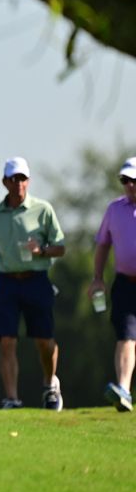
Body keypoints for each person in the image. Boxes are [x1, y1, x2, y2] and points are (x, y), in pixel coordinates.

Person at [0, 157, 66, 410]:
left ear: (28, 181)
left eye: (22, 178)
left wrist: (41, 250)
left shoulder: (43, 209)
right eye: (13, 179)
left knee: (44, 340)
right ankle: (11, 398)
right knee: (7, 341)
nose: (18, 183)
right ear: (5, 182)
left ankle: (50, 383)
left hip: (36, 279)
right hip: (5, 282)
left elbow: (60, 248)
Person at [89, 157, 136, 412]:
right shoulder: (114, 209)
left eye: (133, 181)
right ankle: (124, 390)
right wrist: (97, 278)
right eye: (125, 181)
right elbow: (103, 244)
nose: (129, 185)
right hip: (125, 284)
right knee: (126, 337)